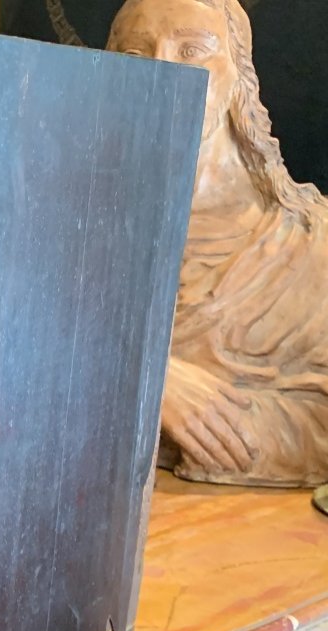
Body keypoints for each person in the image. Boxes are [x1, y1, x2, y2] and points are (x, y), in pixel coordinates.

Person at [108, 0, 328, 487]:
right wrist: (142, 377)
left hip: (250, 538)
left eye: (192, 50)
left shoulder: (312, 247)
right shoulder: (64, 237)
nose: (163, 73)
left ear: (238, 79)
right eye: (136, 54)